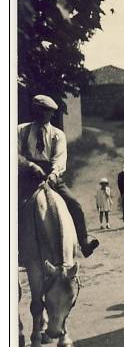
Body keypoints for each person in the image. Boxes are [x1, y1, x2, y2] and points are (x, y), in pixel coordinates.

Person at [18, 95, 99, 256]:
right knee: (14, 207)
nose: (46, 115)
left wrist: (54, 174)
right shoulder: (20, 130)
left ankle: (84, 241)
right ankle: (17, 249)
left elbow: (60, 158)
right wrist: (30, 165)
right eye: (42, 111)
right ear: (35, 110)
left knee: (74, 203)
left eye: (49, 112)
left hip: (51, 175)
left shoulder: (57, 134)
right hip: (27, 176)